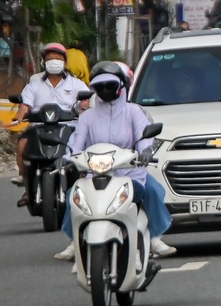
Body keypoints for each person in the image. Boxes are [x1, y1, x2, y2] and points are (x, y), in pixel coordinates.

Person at [56, 64, 175, 260]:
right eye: (99, 87)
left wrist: (145, 150)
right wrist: (66, 158)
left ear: (121, 86)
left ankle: (155, 238)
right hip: (95, 173)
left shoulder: (133, 111)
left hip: (130, 172)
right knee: (73, 195)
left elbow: (144, 135)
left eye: (109, 85)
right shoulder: (87, 117)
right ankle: (74, 241)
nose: (105, 90)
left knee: (152, 190)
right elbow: (76, 143)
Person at [15, 41, 92, 193]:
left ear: (65, 61)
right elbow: (25, 105)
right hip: (39, 128)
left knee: (86, 147)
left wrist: (86, 106)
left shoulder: (77, 84)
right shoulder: (34, 85)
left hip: (69, 127)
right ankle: (26, 183)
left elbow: (86, 101)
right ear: (44, 61)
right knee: (21, 145)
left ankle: (84, 180)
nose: (54, 61)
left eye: (57, 57)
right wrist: (20, 114)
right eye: (50, 58)